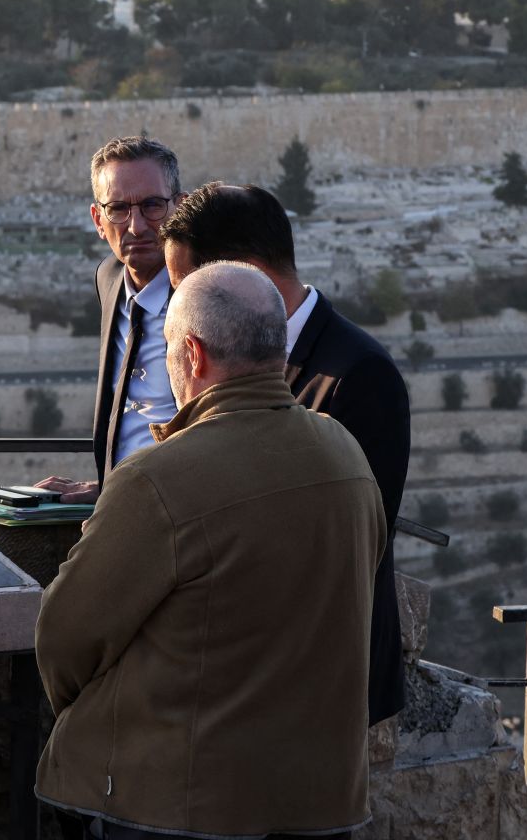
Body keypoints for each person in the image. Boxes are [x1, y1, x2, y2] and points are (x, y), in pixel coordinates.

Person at [35, 261, 386, 840]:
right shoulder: (344, 454)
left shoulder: (158, 480)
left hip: (171, 804)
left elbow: (65, 638)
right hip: (319, 803)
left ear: (192, 355)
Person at [161, 181, 411, 726]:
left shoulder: (357, 373)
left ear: (245, 274)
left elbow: (355, 540)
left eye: (186, 288)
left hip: (323, 686)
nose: (178, 309)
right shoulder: (225, 358)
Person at [37, 136, 182, 505]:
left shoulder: (209, 294)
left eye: (152, 205)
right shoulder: (108, 278)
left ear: (179, 208)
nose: (136, 227)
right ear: (98, 220)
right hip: (118, 509)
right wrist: (108, 487)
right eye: (117, 209)